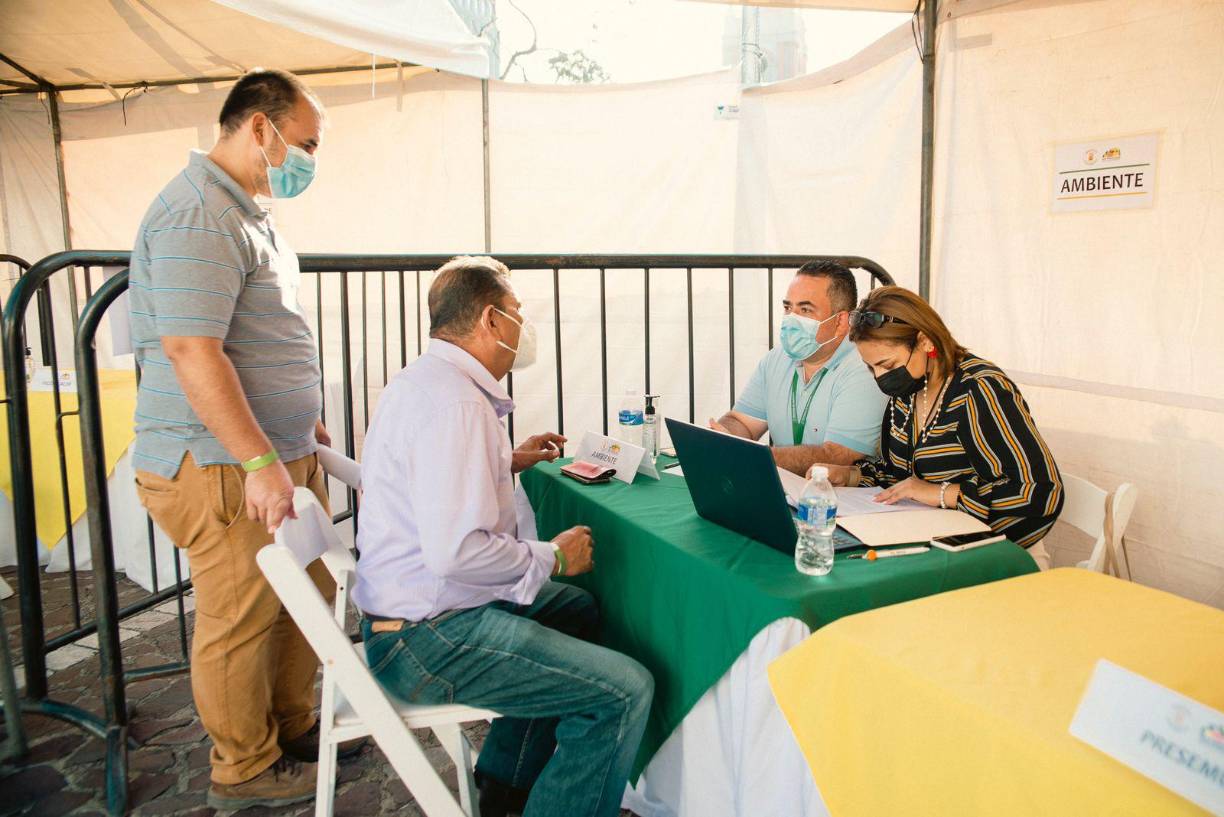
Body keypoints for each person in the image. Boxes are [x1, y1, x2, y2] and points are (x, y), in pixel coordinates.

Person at [352, 256, 654, 817]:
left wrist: (502, 460)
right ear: (491, 320)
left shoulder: (427, 381)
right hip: (427, 639)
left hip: (409, 616)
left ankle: (507, 790)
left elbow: (433, 483)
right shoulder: (457, 405)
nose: (524, 325)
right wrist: (554, 556)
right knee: (625, 690)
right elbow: (456, 552)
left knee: (575, 611)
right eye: (517, 313)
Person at [130, 69, 348, 809]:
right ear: (261, 126)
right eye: (306, 142)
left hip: (269, 454)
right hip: (224, 463)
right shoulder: (197, 214)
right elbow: (194, 349)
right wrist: (260, 457)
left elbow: (256, 334)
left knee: (305, 591)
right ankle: (244, 767)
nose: (310, 160)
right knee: (243, 610)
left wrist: (296, 421)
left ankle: (291, 725)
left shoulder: (245, 211)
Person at [813, 286, 1064, 567]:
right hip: (932, 545)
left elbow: (1041, 492)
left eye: (887, 364)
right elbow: (902, 479)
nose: (881, 377)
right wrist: (851, 477)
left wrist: (944, 493)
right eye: (871, 368)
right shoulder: (909, 391)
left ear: (925, 342)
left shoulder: (979, 389)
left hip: (1000, 552)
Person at [711, 260, 888, 475]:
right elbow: (743, 422)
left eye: (805, 309)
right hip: (785, 490)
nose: (791, 319)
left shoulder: (865, 366)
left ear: (841, 322)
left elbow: (838, 456)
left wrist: (751, 457)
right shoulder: (777, 358)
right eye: (788, 307)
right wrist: (722, 438)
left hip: (837, 500)